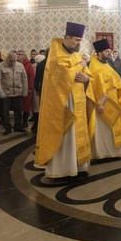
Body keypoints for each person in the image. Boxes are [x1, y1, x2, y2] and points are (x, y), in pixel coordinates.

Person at [35, 22, 95, 179]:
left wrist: (86, 77)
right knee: (66, 134)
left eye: (80, 41)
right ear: (67, 38)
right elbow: (64, 75)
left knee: (77, 133)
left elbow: (87, 74)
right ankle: (62, 170)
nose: (78, 43)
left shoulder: (76, 55)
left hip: (78, 101)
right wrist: (81, 65)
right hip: (63, 102)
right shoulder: (56, 56)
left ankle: (78, 166)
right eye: (76, 40)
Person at [89, 39, 121, 159]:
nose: (109, 54)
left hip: (112, 100)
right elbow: (94, 88)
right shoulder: (94, 67)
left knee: (112, 126)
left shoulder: (106, 64)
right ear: (99, 52)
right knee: (103, 128)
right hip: (102, 101)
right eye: (106, 51)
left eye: (110, 51)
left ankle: (114, 151)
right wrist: (98, 103)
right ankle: (102, 153)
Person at [0, 51, 28, 135]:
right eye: (11, 61)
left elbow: (24, 79)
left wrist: (25, 91)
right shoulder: (0, 66)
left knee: (18, 111)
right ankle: (7, 128)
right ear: (7, 59)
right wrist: (1, 93)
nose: (13, 63)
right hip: (6, 93)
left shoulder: (20, 65)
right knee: (5, 112)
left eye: (14, 61)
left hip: (18, 92)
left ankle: (18, 126)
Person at [17, 50, 35, 129]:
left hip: (27, 88)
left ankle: (25, 121)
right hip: (17, 88)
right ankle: (18, 121)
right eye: (17, 54)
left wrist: (30, 88)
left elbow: (31, 77)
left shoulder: (28, 65)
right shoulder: (15, 64)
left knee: (26, 105)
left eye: (20, 54)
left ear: (24, 55)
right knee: (18, 106)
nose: (18, 56)